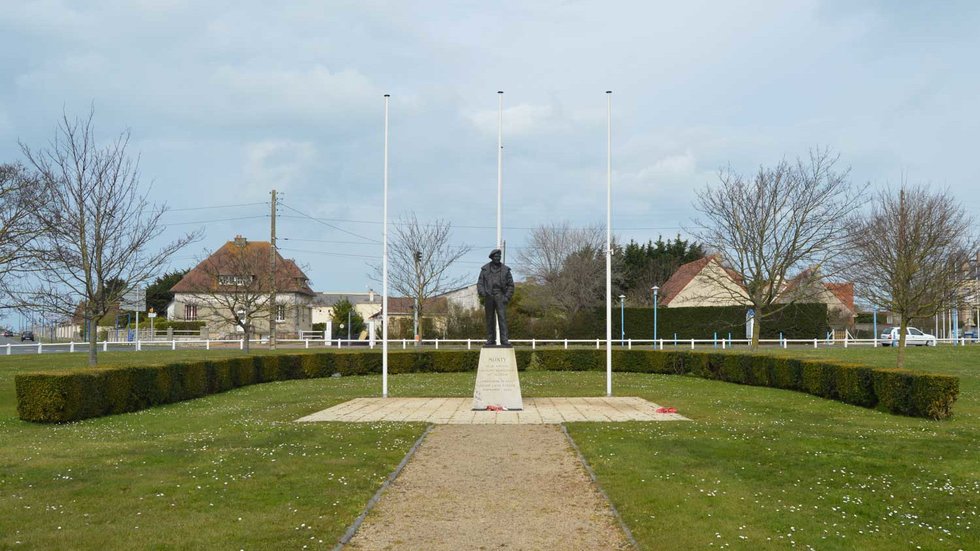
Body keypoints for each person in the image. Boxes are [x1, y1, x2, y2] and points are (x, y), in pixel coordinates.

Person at [477, 248, 514, 346]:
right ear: (492, 257)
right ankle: (490, 339)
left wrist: (506, 297)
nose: (498, 258)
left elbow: (511, 285)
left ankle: (504, 339)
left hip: (500, 295)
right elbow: (480, 283)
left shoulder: (506, 270)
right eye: (496, 256)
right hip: (489, 296)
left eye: (499, 256)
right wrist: (483, 292)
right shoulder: (485, 269)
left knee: (502, 318)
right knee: (489, 319)